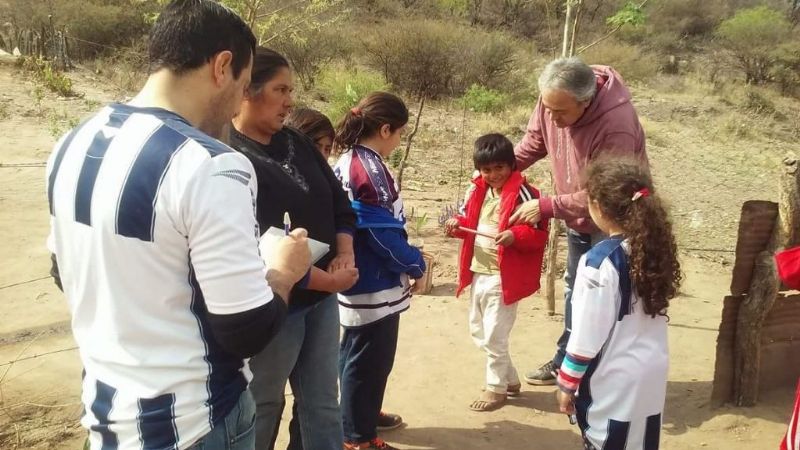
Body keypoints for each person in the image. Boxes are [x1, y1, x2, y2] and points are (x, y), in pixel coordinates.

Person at [45, 1, 311, 449]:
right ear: (223, 66)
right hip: (196, 423)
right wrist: (284, 271)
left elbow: (62, 270)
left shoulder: (73, 141)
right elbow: (246, 329)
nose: (234, 109)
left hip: (108, 418)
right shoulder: (212, 165)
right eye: (244, 86)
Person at [229, 48, 359, 450]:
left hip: (320, 302)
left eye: (291, 91)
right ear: (247, 90)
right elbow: (258, 246)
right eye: (280, 89)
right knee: (263, 404)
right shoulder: (226, 155)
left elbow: (340, 204)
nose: (289, 101)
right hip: (273, 304)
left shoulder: (298, 144)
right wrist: (327, 280)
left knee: (322, 403)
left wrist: (345, 252)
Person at [510, 57, 649, 386]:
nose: (552, 118)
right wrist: (500, 168)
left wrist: (548, 206)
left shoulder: (616, 123)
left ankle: (601, 371)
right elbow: (534, 142)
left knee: (604, 293)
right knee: (576, 287)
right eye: (548, 109)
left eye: (560, 112)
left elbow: (610, 191)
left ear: (585, 103)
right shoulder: (554, 97)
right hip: (576, 212)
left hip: (613, 216)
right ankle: (568, 361)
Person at [555, 159, 681, 450]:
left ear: (598, 206)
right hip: (651, 371)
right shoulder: (651, 249)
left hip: (615, 376)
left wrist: (567, 383)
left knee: (606, 439)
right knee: (639, 440)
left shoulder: (599, 263)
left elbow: (587, 334)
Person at [333, 92, 426, 450]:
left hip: (367, 277)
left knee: (361, 354)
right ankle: (357, 436)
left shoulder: (352, 160)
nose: (400, 141)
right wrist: (415, 262)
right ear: (385, 129)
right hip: (373, 280)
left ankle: (361, 415)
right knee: (368, 359)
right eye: (400, 133)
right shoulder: (367, 169)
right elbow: (378, 232)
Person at [444, 133, 548, 411]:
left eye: (499, 168)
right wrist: (456, 224)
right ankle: (510, 379)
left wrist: (515, 235)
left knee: (494, 335)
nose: (492, 174)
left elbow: (538, 235)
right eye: (486, 169)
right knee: (479, 330)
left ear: (512, 165)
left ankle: (496, 389)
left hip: (504, 276)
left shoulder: (526, 194)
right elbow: (468, 220)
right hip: (479, 270)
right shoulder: (476, 190)